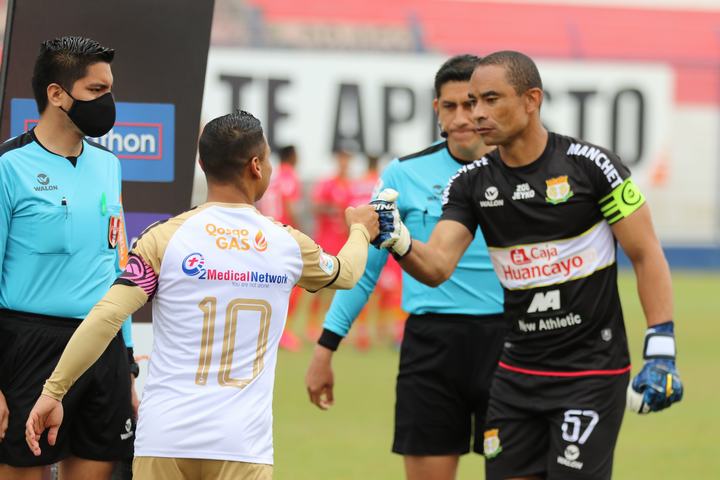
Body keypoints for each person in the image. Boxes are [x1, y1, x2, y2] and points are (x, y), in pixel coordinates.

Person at [373, 51, 683, 480]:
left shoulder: (593, 167)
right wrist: (399, 240)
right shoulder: (470, 184)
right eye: (473, 101)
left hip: (590, 372)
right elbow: (438, 265)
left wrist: (661, 349)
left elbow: (646, 253)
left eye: (491, 99)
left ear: (531, 99)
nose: (477, 114)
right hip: (515, 374)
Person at [24, 110, 379, 480]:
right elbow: (346, 273)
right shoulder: (287, 243)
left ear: (202, 164)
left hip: (165, 440)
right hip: (241, 446)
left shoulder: (164, 239)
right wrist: (359, 230)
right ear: (256, 166)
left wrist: (54, 392)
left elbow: (105, 317)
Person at [306, 55, 507, 480]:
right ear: (437, 110)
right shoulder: (404, 174)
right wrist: (325, 347)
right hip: (432, 345)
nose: (461, 116)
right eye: (450, 106)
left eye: (471, 104)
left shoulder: (518, 171)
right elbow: (366, 270)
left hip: (509, 342)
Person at [0, 36, 138, 480]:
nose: (108, 102)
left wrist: (127, 364)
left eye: (109, 89)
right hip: (29, 348)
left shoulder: (110, 164)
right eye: (96, 90)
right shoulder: (8, 165)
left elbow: (118, 268)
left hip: (103, 346)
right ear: (57, 94)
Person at [256, 145, 304, 351]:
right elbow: (289, 205)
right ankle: (282, 332)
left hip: (265, 234)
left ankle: (268, 330)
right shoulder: (289, 176)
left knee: (269, 283)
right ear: (292, 156)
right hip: (283, 235)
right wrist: (299, 231)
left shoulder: (272, 176)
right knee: (294, 284)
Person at [306, 149, 354, 341]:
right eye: (342, 158)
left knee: (340, 289)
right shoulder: (327, 183)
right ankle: (311, 326)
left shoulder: (352, 185)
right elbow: (314, 206)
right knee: (320, 286)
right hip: (326, 241)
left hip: (344, 243)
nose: (344, 162)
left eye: (347, 158)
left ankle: (333, 327)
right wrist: (332, 209)